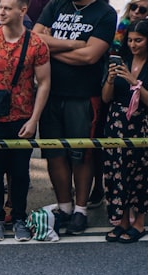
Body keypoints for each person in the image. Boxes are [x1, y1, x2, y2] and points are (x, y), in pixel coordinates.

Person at [0, 0, 50, 241]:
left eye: (7, 8)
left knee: (20, 172)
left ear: (22, 10)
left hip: (23, 117)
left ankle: (18, 218)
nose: (1, 12)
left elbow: (44, 82)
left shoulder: (36, 43)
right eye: (0, 7)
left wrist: (35, 119)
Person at [34, 0, 116, 235]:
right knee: (54, 153)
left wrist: (52, 48)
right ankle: (65, 207)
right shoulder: (56, 5)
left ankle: (81, 210)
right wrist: (74, 44)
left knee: (83, 154)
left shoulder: (105, 13)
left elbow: (90, 56)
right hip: (50, 93)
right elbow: (36, 39)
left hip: (84, 95)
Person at [101, 20, 148, 243]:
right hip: (116, 123)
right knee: (116, 172)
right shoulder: (122, 60)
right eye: (129, 40)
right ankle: (122, 221)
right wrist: (110, 79)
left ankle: (139, 222)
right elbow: (106, 98)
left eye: (138, 40)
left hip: (141, 124)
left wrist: (134, 81)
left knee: (140, 173)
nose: (133, 44)